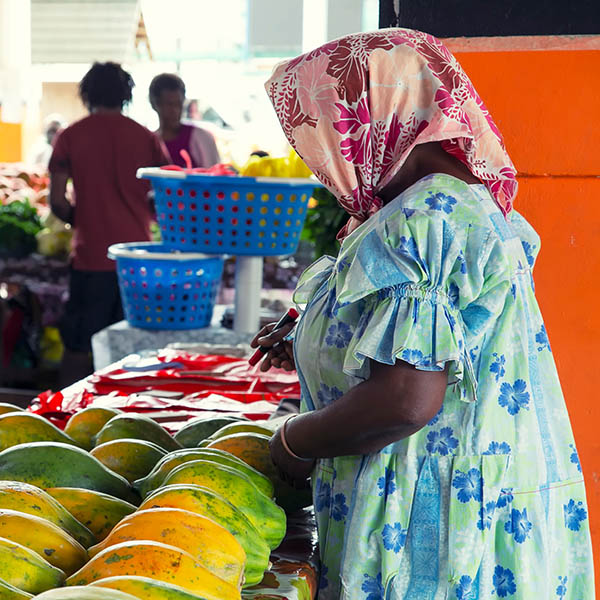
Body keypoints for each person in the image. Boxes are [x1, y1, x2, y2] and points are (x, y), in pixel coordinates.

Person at [252, 29, 594, 598]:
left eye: (322, 136)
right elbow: (433, 347)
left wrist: (290, 444)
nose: (319, 162)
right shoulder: (457, 203)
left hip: (425, 529)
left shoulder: (427, 218)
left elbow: (405, 399)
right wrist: (320, 338)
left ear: (366, 120)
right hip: (468, 508)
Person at [48, 62, 169, 386]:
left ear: (86, 94)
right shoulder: (145, 137)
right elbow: (168, 198)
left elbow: (57, 200)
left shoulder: (70, 136)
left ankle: (63, 417)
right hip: (138, 261)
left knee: (77, 346)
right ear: (127, 95)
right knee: (130, 351)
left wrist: (85, 219)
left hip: (90, 258)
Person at [149, 73, 220, 169]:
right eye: (169, 104)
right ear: (155, 104)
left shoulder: (200, 137)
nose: (175, 110)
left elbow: (213, 177)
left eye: (179, 104)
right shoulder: (150, 142)